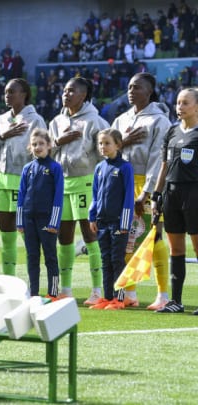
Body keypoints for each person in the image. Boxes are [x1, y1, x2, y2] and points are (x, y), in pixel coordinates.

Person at [111, 72, 172, 311]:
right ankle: (130, 292)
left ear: (149, 91)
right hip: (122, 184)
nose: (131, 90)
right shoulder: (121, 120)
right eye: (129, 86)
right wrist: (122, 142)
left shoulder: (160, 121)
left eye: (137, 87)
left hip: (146, 186)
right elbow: (107, 149)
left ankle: (163, 294)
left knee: (153, 237)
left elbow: (159, 159)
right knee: (126, 238)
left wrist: (146, 193)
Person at [48, 77, 109, 303]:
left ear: (83, 95)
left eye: (71, 90)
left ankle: (97, 291)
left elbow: (106, 154)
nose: (66, 94)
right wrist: (58, 141)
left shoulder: (96, 121)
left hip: (85, 182)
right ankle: (66, 289)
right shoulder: (56, 121)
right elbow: (45, 150)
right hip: (62, 184)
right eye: (64, 90)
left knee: (90, 235)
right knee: (63, 238)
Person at [0, 78, 47, 276]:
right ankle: (10, 281)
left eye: (12, 91)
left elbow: (42, 152)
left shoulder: (36, 120)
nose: (7, 95)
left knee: (27, 234)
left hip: (25, 182)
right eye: (6, 92)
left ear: (24, 94)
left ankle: (33, 283)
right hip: (1, 180)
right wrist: (3, 136)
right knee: (6, 234)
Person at [152, 88, 198, 314]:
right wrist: (156, 194)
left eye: (185, 103)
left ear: (196, 107)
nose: (179, 106)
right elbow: (164, 166)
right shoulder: (171, 132)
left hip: (194, 193)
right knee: (176, 248)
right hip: (171, 194)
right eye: (178, 102)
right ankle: (176, 301)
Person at [87, 129, 134, 310]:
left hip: (118, 223)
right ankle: (107, 297)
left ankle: (119, 298)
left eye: (107, 143)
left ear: (118, 145)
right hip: (102, 222)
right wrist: (93, 217)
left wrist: (124, 223)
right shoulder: (99, 168)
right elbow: (95, 195)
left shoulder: (125, 167)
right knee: (105, 259)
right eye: (100, 143)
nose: (103, 147)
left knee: (117, 260)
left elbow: (128, 197)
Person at [17, 129, 64, 298]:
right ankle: (34, 291)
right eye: (34, 144)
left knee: (50, 256)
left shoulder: (55, 168)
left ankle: (53, 291)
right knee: (32, 257)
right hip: (29, 218)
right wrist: (20, 221)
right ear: (30, 146)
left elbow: (58, 197)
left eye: (41, 144)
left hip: (47, 220)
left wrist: (54, 222)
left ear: (49, 145)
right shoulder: (27, 168)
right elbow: (21, 195)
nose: (37, 147)